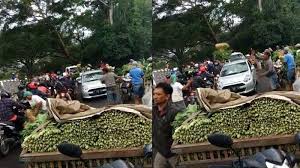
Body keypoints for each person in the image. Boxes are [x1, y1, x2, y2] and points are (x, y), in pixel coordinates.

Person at [153, 82, 181, 168]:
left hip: (174, 153)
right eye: (154, 94)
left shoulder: (175, 112)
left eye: (158, 94)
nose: (155, 97)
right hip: (161, 151)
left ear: (167, 96)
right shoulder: (153, 111)